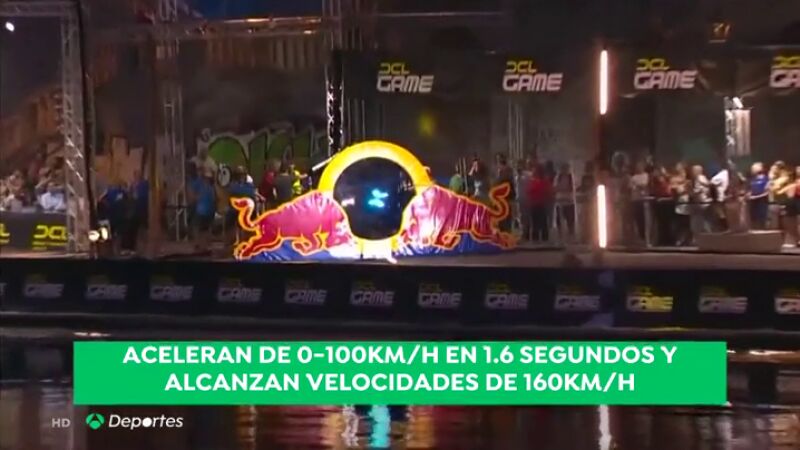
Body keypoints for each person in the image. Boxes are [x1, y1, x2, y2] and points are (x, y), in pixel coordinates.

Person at [189, 172, 217, 253]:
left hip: (202, 211)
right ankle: (204, 245)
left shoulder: (206, 188)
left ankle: (200, 245)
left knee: (200, 229)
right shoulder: (211, 188)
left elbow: (195, 198)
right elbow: (214, 199)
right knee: (204, 229)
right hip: (208, 211)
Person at [527, 165, 553, 243]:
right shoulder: (533, 181)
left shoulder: (544, 182)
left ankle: (544, 238)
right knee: (535, 222)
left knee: (543, 221)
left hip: (542, 204)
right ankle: (536, 238)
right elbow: (529, 192)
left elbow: (548, 192)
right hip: (534, 204)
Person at [650, 165, 673, 246]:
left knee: (666, 223)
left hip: (666, 205)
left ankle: (668, 241)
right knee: (660, 224)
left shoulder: (666, 183)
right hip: (658, 206)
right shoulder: (655, 184)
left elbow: (669, 195)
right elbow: (654, 193)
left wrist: (662, 199)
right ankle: (661, 240)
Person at [670, 163, 691, 246]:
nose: (682, 173)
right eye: (680, 171)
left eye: (683, 171)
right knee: (680, 223)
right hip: (679, 203)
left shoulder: (688, 181)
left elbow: (689, 190)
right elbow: (676, 190)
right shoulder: (674, 180)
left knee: (687, 223)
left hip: (688, 204)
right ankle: (679, 239)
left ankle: (687, 239)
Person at [554, 163, 575, 241]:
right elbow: (555, 187)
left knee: (570, 219)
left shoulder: (571, 177)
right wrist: (561, 188)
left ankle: (571, 234)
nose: (564, 170)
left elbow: (572, 188)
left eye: (566, 169)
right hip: (560, 201)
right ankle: (560, 234)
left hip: (569, 201)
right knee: (559, 219)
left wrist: (563, 188)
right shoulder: (558, 177)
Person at [689, 165, 712, 240]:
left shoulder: (699, 178)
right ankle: (706, 237)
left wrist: (691, 192)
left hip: (701, 202)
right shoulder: (703, 178)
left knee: (699, 221)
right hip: (703, 202)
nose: (692, 172)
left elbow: (698, 190)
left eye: (693, 170)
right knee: (702, 220)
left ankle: (705, 237)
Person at [629, 161, 650, 243]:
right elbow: (631, 187)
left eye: (640, 166)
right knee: (637, 219)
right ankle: (640, 237)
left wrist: (638, 186)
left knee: (645, 220)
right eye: (638, 166)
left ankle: (646, 238)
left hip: (644, 200)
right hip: (635, 200)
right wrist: (637, 186)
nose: (639, 167)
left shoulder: (646, 175)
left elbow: (644, 185)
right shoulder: (633, 178)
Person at [494, 154, 515, 232]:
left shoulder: (507, 170)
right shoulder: (498, 170)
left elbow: (509, 183)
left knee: (506, 216)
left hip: (506, 196)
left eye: (499, 159)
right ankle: (503, 231)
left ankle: (506, 231)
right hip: (500, 197)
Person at [748, 162, 769, 230]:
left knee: (762, 214)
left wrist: (756, 197)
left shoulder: (765, 178)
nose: (752, 170)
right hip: (753, 200)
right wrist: (749, 194)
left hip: (762, 200)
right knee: (753, 215)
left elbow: (767, 191)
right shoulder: (752, 179)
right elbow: (751, 189)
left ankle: (763, 228)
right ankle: (754, 228)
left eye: (754, 168)